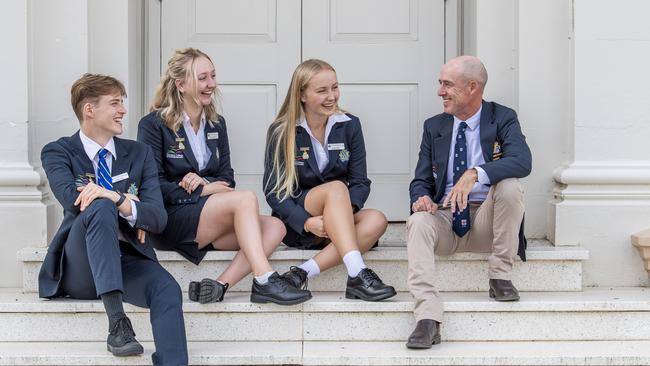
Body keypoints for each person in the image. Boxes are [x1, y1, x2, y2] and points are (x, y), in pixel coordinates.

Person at [138, 48, 311, 306]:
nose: (211, 84)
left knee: (276, 227)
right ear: (181, 84)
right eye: (203, 78)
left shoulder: (217, 123)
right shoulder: (153, 125)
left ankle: (220, 285)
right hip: (172, 220)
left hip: (207, 218)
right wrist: (201, 191)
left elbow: (227, 178)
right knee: (245, 200)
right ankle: (265, 278)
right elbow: (152, 187)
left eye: (213, 76)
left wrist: (205, 184)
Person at [39, 74, 187, 364]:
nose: (123, 110)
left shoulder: (138, 153)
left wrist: (116, 198)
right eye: (115, 103)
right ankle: (117, 323)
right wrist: (128, 203)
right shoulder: (58, 151)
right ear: (89, 110)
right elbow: (73, 199)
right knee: (99, 207)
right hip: (81, 267)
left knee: (167, 288)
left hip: (125, 258)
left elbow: (157, 219)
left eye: (122, 103)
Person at [405, 55, 532, 349]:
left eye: (447, 85)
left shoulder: (502, 117)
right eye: (440, 84)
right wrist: (421, 198)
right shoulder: (434, 126)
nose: (440, 92)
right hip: (447, 220)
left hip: (489, 220)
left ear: (472, 87)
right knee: (417, 222)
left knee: (511, 186)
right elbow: (420, 179)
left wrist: (476, 173)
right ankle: (427, 317)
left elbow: (522, 161)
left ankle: (500, 276)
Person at [263, 59, 396, 302]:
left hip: (335, 220)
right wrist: (306, 222)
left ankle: (301, 273)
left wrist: (342, 215)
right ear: (302, 94)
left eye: (334, 87)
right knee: (335, 188)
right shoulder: (282, 130)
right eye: (322, 90)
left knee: (377, 220)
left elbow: (359, 181)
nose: (331, 96)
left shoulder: (349, 125)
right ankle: (358, 273)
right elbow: (274, 191)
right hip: (302, 222)